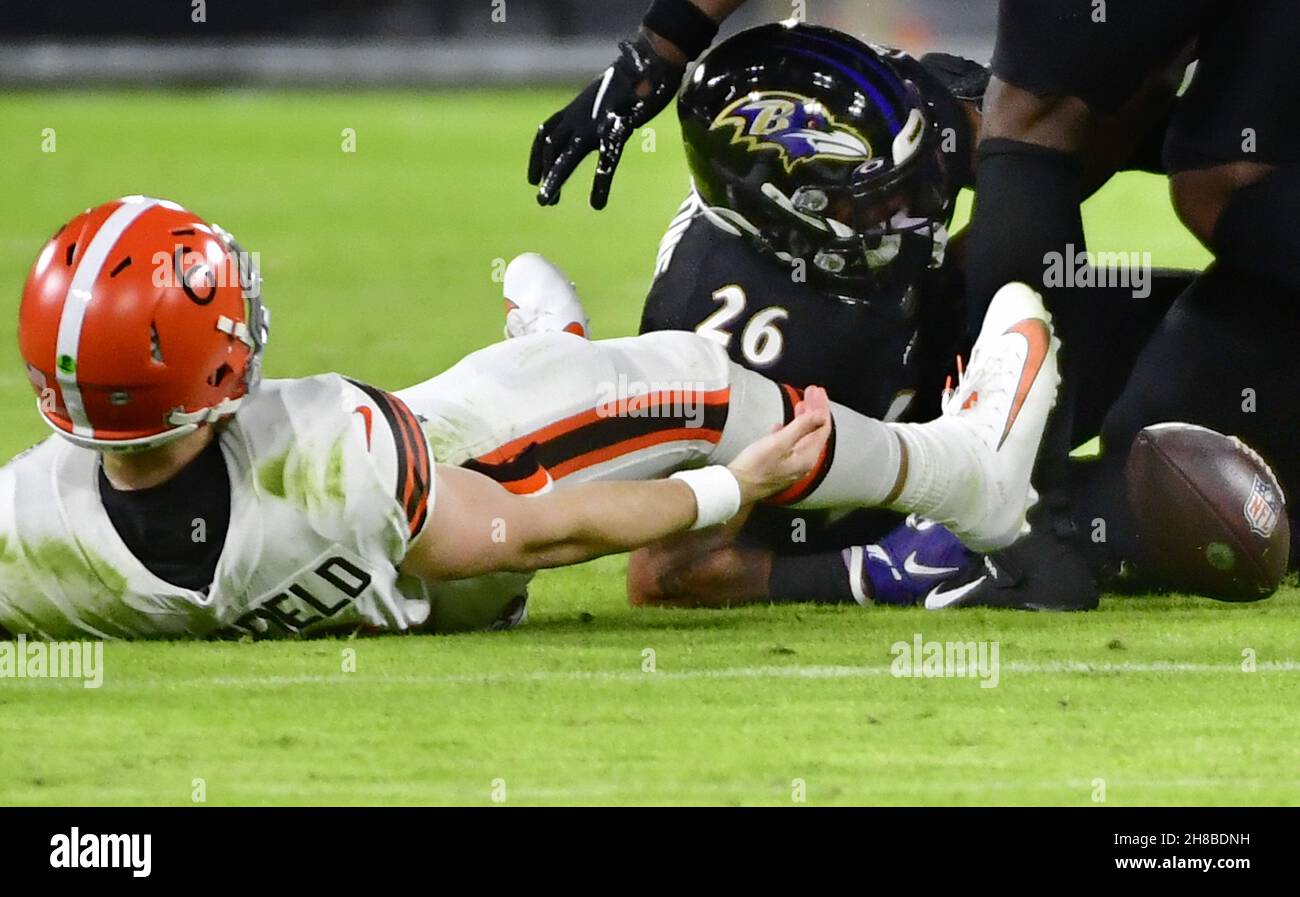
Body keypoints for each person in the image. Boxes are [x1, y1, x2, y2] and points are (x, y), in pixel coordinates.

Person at [0, 196, 1059, 639]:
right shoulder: (331, 458)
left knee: (462, 421)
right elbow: (532, 528)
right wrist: (731, 486)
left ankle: (546, 356)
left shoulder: (26, 532)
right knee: (689, 379)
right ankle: (964, 474)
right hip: (472, 508)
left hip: (402, 568)